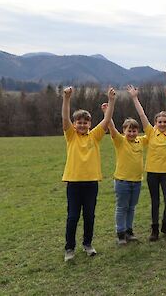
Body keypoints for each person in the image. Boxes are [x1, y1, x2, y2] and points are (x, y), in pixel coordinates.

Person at [61, 86, 115, 261]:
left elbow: (107, 120)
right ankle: (69, 248)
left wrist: (111, 101)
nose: (82, 125)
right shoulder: (71, 136)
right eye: (79, 122)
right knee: (73, 216)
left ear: (90, 124)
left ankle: (87, 244)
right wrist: (67, 98)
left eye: (85, 122)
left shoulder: (95, 136)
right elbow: (64, 117)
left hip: (91, 183)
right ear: (74, 124)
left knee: (89, 216)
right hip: (74, 183)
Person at [129, 85, 166, 242]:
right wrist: (135, 97)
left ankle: (165, 226)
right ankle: (154, 229)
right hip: (152, 173)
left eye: (164, 121)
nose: (162, 124)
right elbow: (141, 114)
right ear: (155, 122)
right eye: (159, 121)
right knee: (155, 202)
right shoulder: (150, 132)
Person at [101, 86, 149, 245]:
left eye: (135, 130)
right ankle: (120, 233)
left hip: (137, 181)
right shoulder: (120, 141)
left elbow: (147, 125)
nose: (132, 133)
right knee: (122, 208)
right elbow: (111, 127)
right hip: (122, 181)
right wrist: (107, 111)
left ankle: (129, 231)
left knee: (132, 208)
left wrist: (136, 98)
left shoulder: (141, 141)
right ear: (124, 131)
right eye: (129, 130)